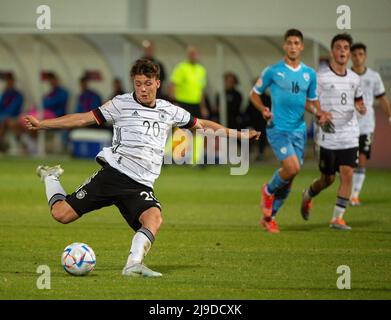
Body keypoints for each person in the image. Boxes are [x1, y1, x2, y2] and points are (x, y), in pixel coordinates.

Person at [24, 59, 260, 277]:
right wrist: (43, 124)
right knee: (61, 215)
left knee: (154, 218)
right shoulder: (120, 104)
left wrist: (238, 134)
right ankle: (50, 176)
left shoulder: (170, 110)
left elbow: (202, 125)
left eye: (148, 83)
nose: (143, 89)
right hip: (114, 175)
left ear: (157, 83)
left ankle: (133, 265)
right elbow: (82, 118)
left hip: (141, 184)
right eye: (138, 84)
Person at [250, 29, 331, 233]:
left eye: (297, 43)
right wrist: (263, 109)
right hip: (278, 128)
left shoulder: (309, 74)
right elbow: (254, 94)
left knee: (289, 179)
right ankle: (267, 191)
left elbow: (310, 102)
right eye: (289, 43)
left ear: (301, 46)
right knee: (293, 168)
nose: (293, 46)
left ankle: (270, 218)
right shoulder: (273, 71)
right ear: (284, 46)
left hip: (299, 131)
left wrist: (318, 112)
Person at [301, 33, 367, 230]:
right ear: (332, 52)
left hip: (349, 134)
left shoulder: (355, 78)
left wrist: (361, 107)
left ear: (349, 53)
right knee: (327, 178)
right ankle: (309, 193)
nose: (343, 51)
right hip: (327, 136)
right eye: (339, 47)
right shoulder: (320, 77)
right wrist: (319, 112)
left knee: (347, 173)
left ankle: (337, 218)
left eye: (346, 48)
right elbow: (306, 101)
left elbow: (358, 100)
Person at [349, 43, 391, 206]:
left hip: (367, 125)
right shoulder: (346, 75)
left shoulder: (373, 77)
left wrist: (389, 117)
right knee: (348, 161)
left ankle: (355, 194)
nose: (358, 57)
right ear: (351, 57)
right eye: (355, 54)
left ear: (365, 56)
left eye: (361, 54)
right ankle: (347, 190)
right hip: (348, 125)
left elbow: (382, 99)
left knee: (362, 158)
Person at [169, 46, 209, 164]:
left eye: (195, 53)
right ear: (188, 55)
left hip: (196, 104)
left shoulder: (201, 70)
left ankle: (196, 160)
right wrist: (175, 103)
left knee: (199, 131)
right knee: (180, 131)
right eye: (191, 53)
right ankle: (170, 156)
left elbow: (201, 91)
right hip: (183, 103)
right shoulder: (181, 68)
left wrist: (203, 107)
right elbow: (172, 86)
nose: (193, 55)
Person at [0, 73, 24, 152]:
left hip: (14, 117)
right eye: (7, 81)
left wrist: (4, 116)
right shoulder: (4, 94)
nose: (8, 83)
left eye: (9, 81)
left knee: (6, 122)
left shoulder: (18, 94)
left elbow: (14, 108)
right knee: (3, 122)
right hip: (4, 117)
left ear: (13, 81)